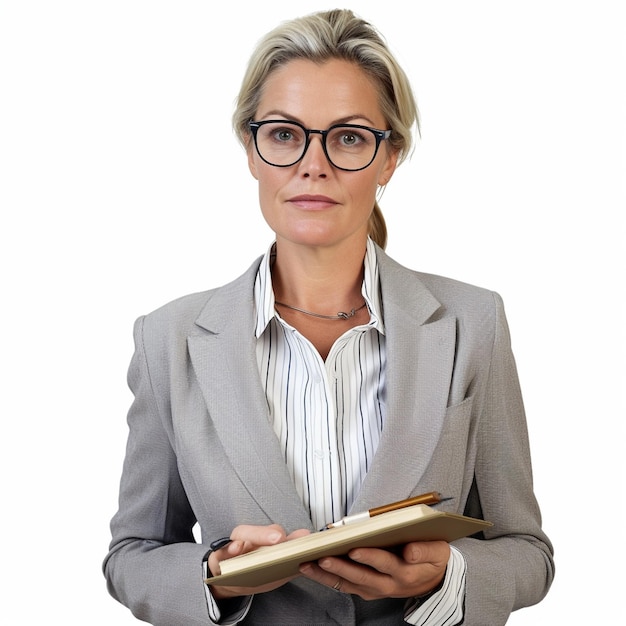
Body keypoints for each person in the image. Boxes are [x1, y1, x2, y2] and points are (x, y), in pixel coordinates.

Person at [103, 8, 554, 625]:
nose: (313, 165)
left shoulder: (473, 323)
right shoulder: (169, 339)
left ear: (389, 158)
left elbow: (527, 552)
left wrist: (447, 574)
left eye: (347, 137)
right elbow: (132, 556)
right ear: (251, 149)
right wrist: (215, 577)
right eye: (286, 134)